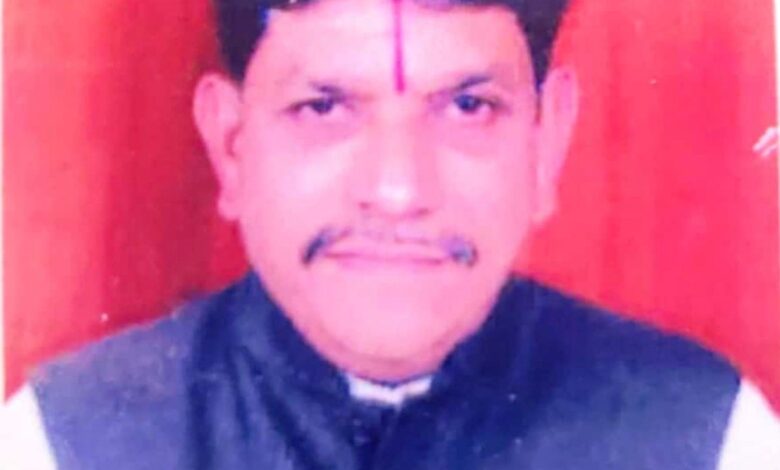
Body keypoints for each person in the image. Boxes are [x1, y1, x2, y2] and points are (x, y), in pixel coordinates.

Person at [2, 0, 779, 468]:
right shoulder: (62, 445)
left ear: (547, 142)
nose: (399, 192)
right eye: (324, 108)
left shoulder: (710, 440)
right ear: (231, 146)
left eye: (469, 107)